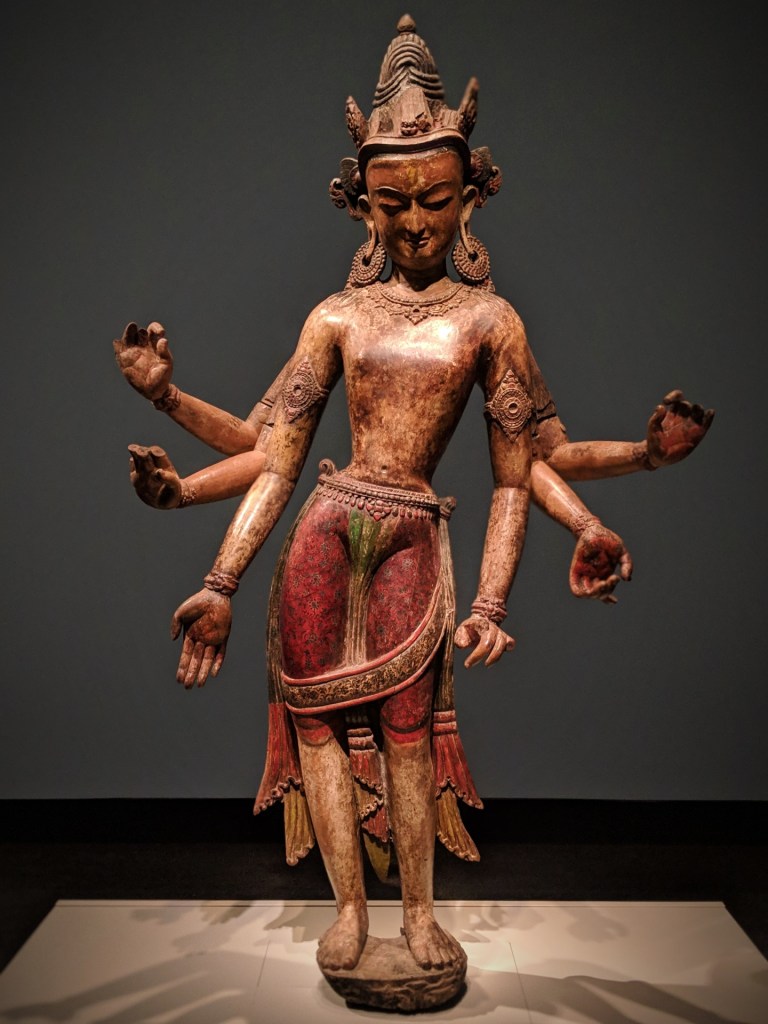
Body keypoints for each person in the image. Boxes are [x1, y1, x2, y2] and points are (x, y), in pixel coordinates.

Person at [114, 17, 712, 977]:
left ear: (470, 197)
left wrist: (627, 473)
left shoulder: (489, 322)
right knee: (315, 723)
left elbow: (529, 465)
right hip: (324, 532)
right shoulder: (337, 318)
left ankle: (422, 917)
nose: (416, 222)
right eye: (393, 202)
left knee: (407, 731)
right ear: (364, 209)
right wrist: (197, 512)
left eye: (435, 198)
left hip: (411, 544)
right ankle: (352, 914)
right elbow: (271, 453)